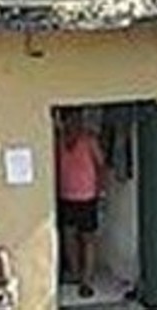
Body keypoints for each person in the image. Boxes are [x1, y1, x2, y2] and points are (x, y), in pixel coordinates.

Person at [56, 108, 106, 299]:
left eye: (75, 120)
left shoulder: (88, 140)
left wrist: (101, 190)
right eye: (68, 120)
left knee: (87, 238)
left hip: (87, 196)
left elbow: (101, 166)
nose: (72, 124)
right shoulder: (58, 140)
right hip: (65, 196)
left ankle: (86, 280)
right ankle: (76, 274)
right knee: (68, 237)